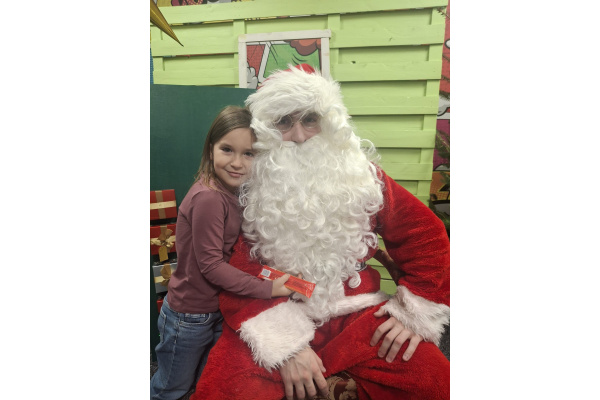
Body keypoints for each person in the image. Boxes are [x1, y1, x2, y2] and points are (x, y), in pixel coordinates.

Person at [192, 65, 450, 400]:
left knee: (438, 384)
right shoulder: (249, 186)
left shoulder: (363, 178)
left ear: (331, 121)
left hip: (358, 315)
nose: (300, 136)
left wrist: (412, 313)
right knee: (222, 391)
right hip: (275, 309)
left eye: (310, 119)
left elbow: (426, 237)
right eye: (284, 122)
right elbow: (237, 270)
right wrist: (287, 345)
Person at [150, 106, 294, 400]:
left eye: (248, 154)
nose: (237, 163)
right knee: (171, 387)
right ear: (210, 149)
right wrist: (267, 289)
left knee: (202, 382)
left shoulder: (233, 193)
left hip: (214, 310)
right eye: (227, 150)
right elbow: (212, 265)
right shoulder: (209, 198)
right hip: (189, 317)